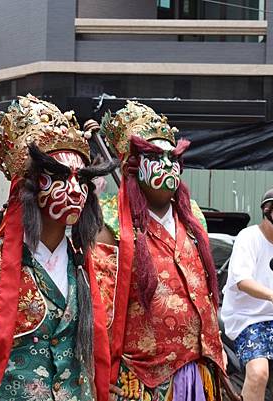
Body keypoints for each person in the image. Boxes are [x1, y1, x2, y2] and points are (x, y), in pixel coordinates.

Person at [0, 94, 117, 401]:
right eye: (57, 177)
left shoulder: (100, 267)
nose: (74, 190)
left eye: (81, 179)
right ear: (26, 186)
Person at [93, 101, 225, 401]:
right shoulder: (111, 221)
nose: (167, 165)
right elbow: (99, 309)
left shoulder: (192, 216)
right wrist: (98, 373)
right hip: (142, 380)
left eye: (172, 157)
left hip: (200, 369)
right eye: (155, 157)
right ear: (133, 164)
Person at [220, 186, 273, 401]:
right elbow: (242, 280)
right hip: (249, 319)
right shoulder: (249, 237)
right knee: (258, 373)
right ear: (267, 210)